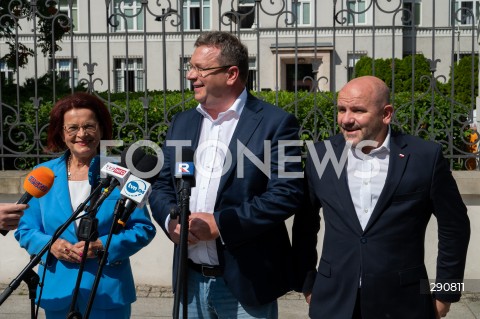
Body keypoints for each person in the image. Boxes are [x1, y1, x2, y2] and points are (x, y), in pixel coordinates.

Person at [149, 31, 303, 318]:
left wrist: (222, 224)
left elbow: (287, 194)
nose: (190, 76)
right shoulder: (181, 123)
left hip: (246, 283)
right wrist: (171, 220)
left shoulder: (277, 123)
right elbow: (162, 185)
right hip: (190, 281)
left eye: (200, 69)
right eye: (190, 67)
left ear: (231, 74)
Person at [292, 75, 471, 319]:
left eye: (357, 110)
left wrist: (446, 295)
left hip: (404, 305)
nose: (346, 119)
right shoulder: (320, 155)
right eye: (341, 109)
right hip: (333, 302)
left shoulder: (425, 157)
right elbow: (304, 225)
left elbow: (455, 226)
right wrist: (307, 284)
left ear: (386, 114)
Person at [14, 92, 156, 319]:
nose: (81, 134)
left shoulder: (123, 174)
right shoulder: (44, 175)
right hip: (57, 291)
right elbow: (24, 229)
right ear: (61, 133)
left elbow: (143, 228)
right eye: (72, 128)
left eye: (89, 126)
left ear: (101, 130)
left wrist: (102, 246)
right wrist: (50, 245)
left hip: (107, 290)